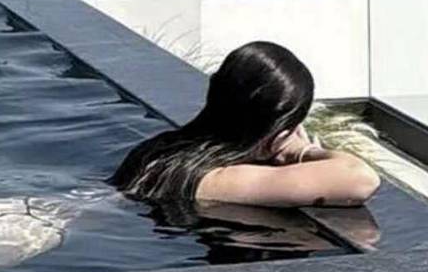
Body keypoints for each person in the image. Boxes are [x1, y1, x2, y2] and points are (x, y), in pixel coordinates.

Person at [111, 40, 380, 208]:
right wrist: (300, 150)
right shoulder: (220, 180)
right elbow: (361, 179)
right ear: (278, 133)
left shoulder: (157, 149)